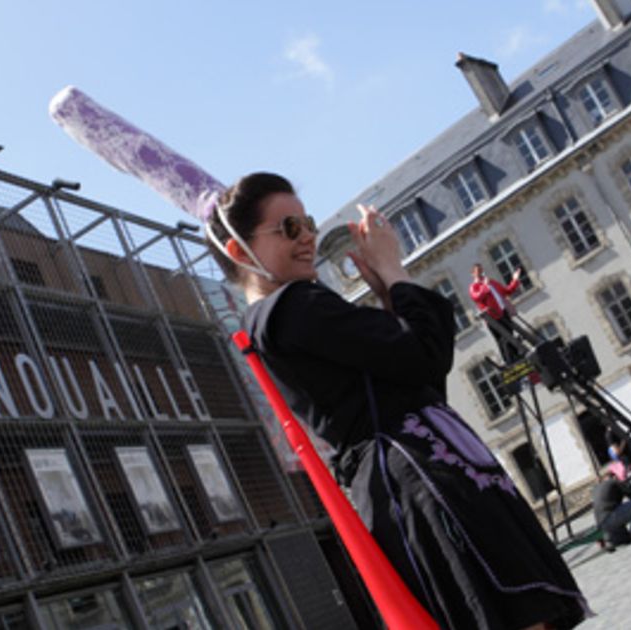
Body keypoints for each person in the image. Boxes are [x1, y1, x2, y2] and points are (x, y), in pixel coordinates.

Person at [206, 173, 587, 629]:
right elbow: (426, 355)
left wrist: (391, 299)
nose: (308, 236)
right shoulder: (292, 307)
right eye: (289, 228)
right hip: (419, 475)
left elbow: (414, 380)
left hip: (414, 470)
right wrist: (393, 271)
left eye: (306, 222)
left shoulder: (287, 313)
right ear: (238, 251)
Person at [469, 263, 524, 366]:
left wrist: (515, 279)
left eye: (481, 270)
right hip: (492, 317)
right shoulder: (474, 287)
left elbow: (507, 291)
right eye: (478, 271)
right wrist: (485, 285)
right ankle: (508, 360)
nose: (481, 273)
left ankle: (517, 355)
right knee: (502, 339)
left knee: (510, 334)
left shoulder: (492, 282)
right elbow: (477, 297)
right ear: (473, 274)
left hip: (503, 312)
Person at [591, 475, 631, 553]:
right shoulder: (614, 482)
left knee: (626, 539)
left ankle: (610, 541)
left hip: (602, 523)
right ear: (614, 477)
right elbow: (630, 492)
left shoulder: (596, 488)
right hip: (611, 516)